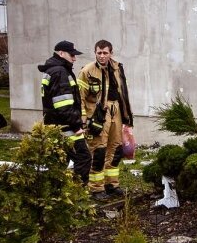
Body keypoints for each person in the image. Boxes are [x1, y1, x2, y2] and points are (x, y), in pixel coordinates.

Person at [78, 40, 133, 199]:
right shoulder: (87, 71)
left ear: (111, 53)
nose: (102, 56)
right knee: (99, 150)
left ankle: (112, 184)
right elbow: (79, 97)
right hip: (98, 114)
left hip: (116, 111)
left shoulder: (117, 68)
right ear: (95, 53)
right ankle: (96, 188)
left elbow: (124, 93)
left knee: (115, 149)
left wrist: (127, 116)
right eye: (99, 53)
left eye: (105, 53)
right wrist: (83, 119)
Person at [38, 40, 91, 186]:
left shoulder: (53, 70)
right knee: (83, 158)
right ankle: (77, 193)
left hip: (57, 127)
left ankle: (58, 196)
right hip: (66, 128)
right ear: (61, 53)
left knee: (60, 164)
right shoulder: (60, 72)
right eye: (71, 55)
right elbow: (63, 105)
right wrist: (76, 126)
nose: (74, 58)